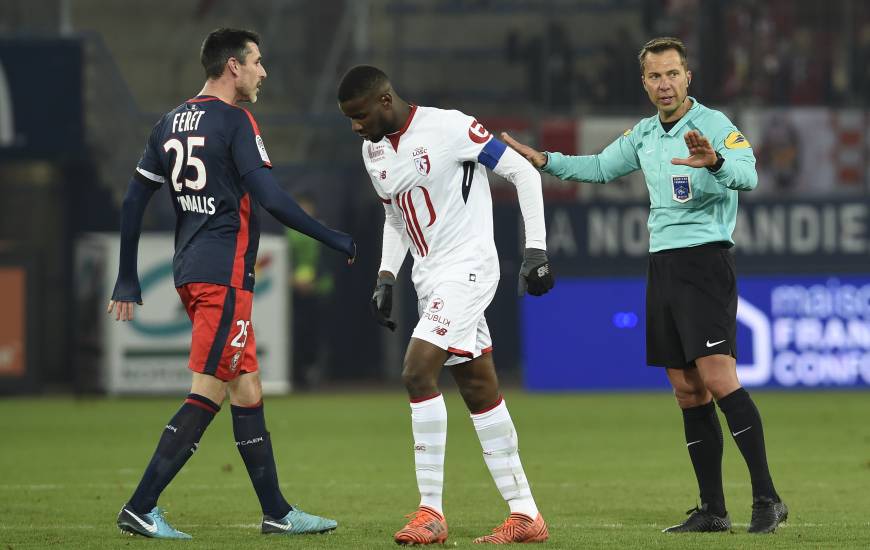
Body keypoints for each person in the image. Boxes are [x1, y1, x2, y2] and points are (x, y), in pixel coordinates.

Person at [502, 37, 787, 535]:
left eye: (672, 74)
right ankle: (713, 511)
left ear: (687, 77)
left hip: (705, 262)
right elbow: (598, 168)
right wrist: (544, 161)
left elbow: (749, 175)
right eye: (655, 77)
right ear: (644, 83)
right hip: (663, 266)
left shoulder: (715, 126)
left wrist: (715, 163)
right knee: (686, 388)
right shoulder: (645, 135)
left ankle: (768, 499)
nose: (664, 84)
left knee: (719, 378)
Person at [107, 28, 356, 540]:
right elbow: (271, 196)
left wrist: (128, 276)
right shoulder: (237, 120)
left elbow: (134, 201)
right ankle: (140, 505)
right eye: (258, 62)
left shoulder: (169, 121)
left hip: (194, 269)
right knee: (209, 391)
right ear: (232, 67)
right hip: (222, 276)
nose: (264, 72)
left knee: (246, 387)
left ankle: (277, 512)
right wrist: (333, 236)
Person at [337, 65, 554, 545]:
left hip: (470, 267)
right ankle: (526, 515)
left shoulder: (451, 127)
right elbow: (395, 216)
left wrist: (535, 249)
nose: (356, 126)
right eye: (350, 119)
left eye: (360, 115)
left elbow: (521, 171)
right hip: (429, 277)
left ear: (386, 100)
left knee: (416, 371)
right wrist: (386, 276)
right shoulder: (372, 150)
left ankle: (430, 512)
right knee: (478, 387)